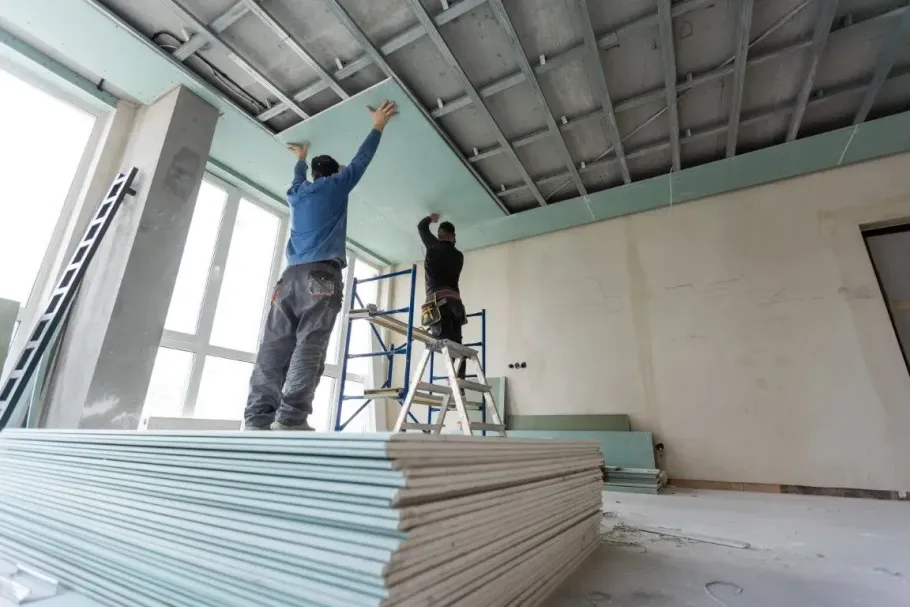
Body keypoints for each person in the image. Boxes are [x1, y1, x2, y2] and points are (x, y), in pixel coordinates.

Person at [244, 100, 399, 431]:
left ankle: (257, 417)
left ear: (314, 174)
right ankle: (290, 418)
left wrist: (300, 159)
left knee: (274, 343)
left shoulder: (296, 193)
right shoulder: (337, 185)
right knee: (309, 344)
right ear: (335, 173)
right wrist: (378, 124)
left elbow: (297, 178)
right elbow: (362, 160)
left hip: (288, 280)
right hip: (321, 276)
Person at [417, 213, 467, 378]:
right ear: (453, 237)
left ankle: (454, 386)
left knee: (444, 346)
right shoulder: (459, 256)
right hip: (456, 306)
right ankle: (459, 386)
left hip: (438, 305)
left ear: (439, 235)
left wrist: (432, 217)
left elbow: (421, 226)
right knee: (458, 348)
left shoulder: (433, 247)